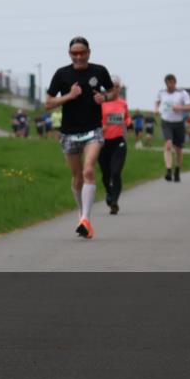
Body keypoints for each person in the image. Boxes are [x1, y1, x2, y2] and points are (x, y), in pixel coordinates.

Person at [45, 36, 115, 239]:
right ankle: (82, 214)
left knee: (89, 169)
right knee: (76, 178)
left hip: (93, 130)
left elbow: (112, 92)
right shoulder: (62, 74)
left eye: (82, 53)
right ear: (70, 54)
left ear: (89, 53)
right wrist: (69, 96)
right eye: (74, 53)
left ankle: (85, 219)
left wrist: (105, 97)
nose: (78, 56)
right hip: (69, 132)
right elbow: (48, 103)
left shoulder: (99, 71)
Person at [98, 76, 131, 215]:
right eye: (111, 86)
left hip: (119, 141)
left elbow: (127, 117)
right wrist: (102, 126)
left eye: (117, 86)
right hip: (103, 143)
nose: (114, 89)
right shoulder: (100, 103)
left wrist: (128, 123)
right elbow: (94, 120)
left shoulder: (123, 103)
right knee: (106, 174)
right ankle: (109, 192)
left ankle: (114, 202)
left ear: (119, 88)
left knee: (116, 172)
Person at [155, 74, 190, 183]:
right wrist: (156, 108)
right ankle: (168, 171)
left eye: (172, 83)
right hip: (166, 122)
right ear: (166, 83)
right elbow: (157, 101)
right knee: (168, 145)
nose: (170, 85)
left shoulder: (182, 93)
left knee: (178, 149)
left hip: (178, 123)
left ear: (175, 83)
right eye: (168, 83)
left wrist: (180, 107)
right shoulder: (161, 92)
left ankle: (177, 169)